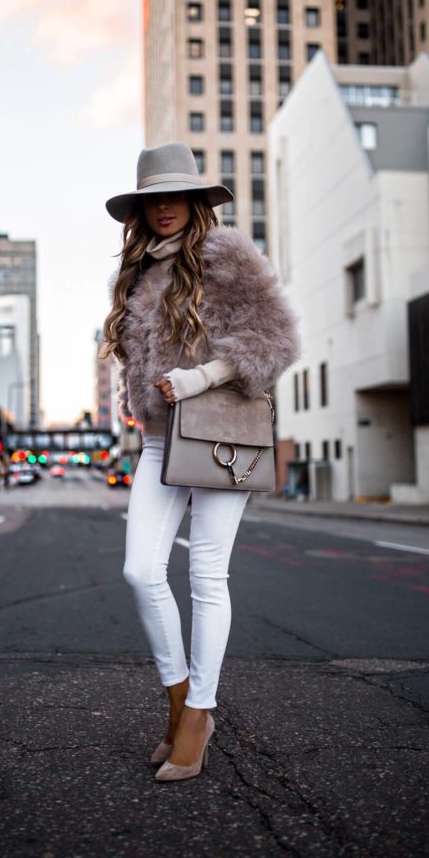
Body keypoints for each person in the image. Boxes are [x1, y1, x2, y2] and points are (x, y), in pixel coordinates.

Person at [100, 143, 300, 782]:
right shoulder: (132, 275)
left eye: (173, 195)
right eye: (151, 198)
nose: (163, 207)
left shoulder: (227, 255)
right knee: (139, 571)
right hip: (159, 441)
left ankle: (196, 717)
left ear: (194, 199)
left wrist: (203, 376)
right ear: (140, 209)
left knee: (208, 578)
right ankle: (181, 700)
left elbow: (277, 337)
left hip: (220, 436)